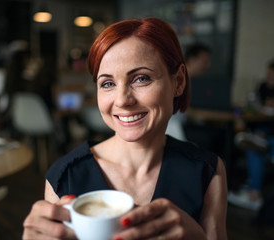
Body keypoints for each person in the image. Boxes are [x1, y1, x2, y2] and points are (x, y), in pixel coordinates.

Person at [22, 18, 227, 240]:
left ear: (178, 82)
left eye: (141, 78)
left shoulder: (208, 172)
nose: (122, 101)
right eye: (107, 83)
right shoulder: (64, 177)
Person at [229, 59, 274, 211]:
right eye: (268, 75)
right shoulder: (262, 87)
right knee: (254, 148)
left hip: (270, 133)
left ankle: (254, 194)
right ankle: (254, 194)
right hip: (261, 128)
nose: (269, 79)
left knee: (257, 147)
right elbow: (254, 105)